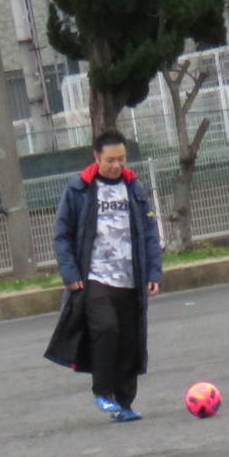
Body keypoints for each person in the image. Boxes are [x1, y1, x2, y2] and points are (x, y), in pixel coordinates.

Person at [46, 130, 164, 423]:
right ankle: (102, 391)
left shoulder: (134, 188)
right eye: (110, 160)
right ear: (96, 157)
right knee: (107, 329)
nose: (116, 165)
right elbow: (62, 235)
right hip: (95, 277)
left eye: (121, 159)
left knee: (128, 340)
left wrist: (153, 272)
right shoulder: (79, 189)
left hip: (130, 278)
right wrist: (70, 273)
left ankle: (124, 403)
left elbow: (150, 233)